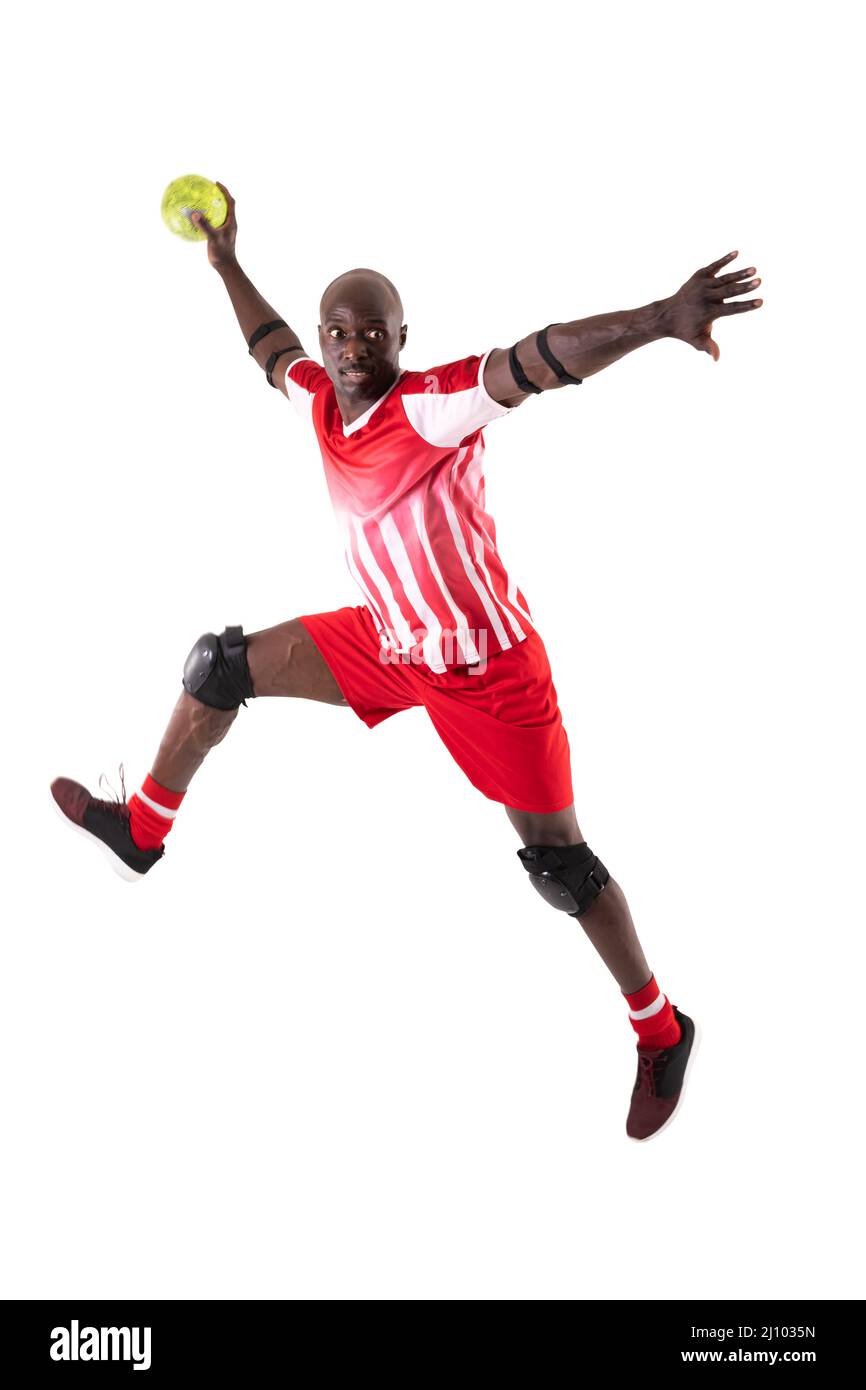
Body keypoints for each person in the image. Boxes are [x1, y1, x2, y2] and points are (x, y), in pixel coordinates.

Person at [51, 182, 762, 1141]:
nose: (352, 351)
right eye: (338, 334)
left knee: (562, 868)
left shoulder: (432, 407)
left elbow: (541, 358)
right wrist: (224, 265)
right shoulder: (317, 399)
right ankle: (142, 829)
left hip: (489, 674)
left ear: (399, 337)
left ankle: (661, 1028)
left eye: (371, 335)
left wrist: (661, 318)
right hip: (386, 641)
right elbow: (270, 351)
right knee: (215, 667)